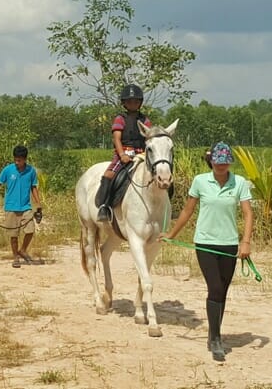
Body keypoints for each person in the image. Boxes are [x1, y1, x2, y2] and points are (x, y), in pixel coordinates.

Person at [160, 142, 253, 362]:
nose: (221, 166)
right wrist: (171, 234)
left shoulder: (239, 183)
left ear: (230, 162)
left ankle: (213, 332)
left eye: (225, 162)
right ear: (211, 161)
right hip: (205, 243)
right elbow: (188, 210)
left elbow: (248, 213)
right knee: (215, 287)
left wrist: (245, 241)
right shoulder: (200, 181)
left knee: (222, 292)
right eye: (217, 162)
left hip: (229, 244)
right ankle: (217, 339)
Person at [0, 145, 42, 268]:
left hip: (26, 207)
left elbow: (34, 187)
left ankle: (23, 250)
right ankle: (16, 257)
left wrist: (38, 203)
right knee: (13, 235)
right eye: (15, 159)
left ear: (25, 159)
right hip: (11, 207)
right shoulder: (8, 170)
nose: (17, 162)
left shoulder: (31, 171)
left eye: (19, 160)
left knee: (30, 230)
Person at [96, 84, 152, 221]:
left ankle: (166, 205)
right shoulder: (120, 119)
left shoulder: (145, 120)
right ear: (124, 103)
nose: (133, 104)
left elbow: (149, 137)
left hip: (142, 153)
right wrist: (122, 155)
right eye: (129, 101)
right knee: (109, 175)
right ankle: (104, 206)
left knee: (159, 174)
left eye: (136, 101)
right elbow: (117, 138)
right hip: (125, 152)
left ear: (140, 103)